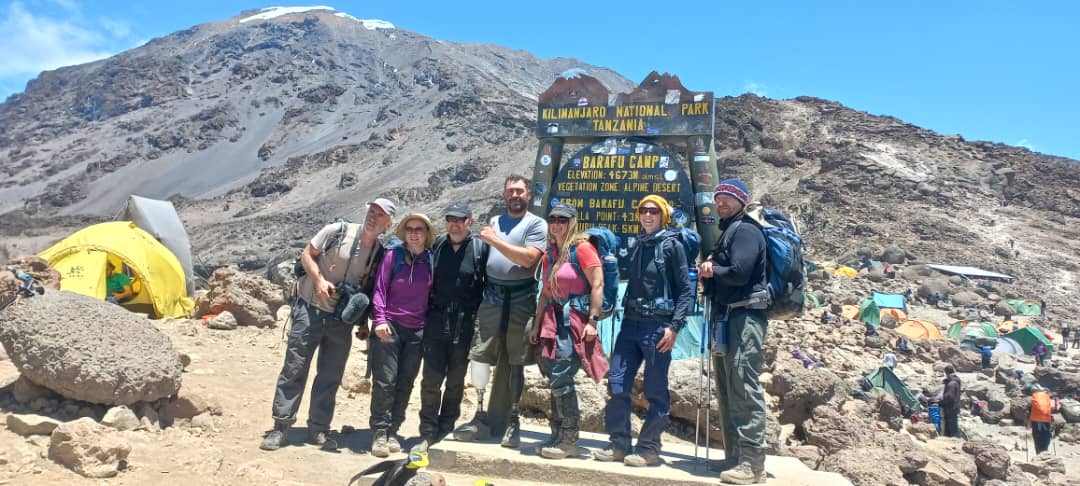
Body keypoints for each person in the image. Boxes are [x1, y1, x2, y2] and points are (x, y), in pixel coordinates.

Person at [261, 198, 395, 451]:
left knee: (330, 375)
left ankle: (318, 429)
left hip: (340, 322)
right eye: (372, 211)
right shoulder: (337, 231)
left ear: (387, 224)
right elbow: (307, 255)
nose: (373, 217)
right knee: (295, 368)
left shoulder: (379, 253)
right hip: (309, 309)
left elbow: (366, 290)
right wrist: (319, 280)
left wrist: (363, 323)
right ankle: (281, 426)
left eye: (380, 215)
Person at [594, 194, 690, 468]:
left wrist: (674, 328)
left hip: (658, 327)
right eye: (643, 211)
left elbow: (685, 290)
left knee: (655, 390)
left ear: (663, 216)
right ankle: (619, 443)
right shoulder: (638, 244)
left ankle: (649, 448)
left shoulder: (673, 246)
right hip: (630, 325)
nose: (647, 215)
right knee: (617, 382)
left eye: (653, 211)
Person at [455, 175, 547, 448]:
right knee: (480, 353)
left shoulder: (536, 224)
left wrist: (494, 241)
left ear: (528, 194)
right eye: (510, 191)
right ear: (504, 195)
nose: (515, 195)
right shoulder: (495, 221)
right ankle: (480, 416)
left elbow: (529, 260)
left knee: (517, 359)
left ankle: (513, 420)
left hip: (521, 299)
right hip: (492, 298)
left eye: (520, 191)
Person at [698, 179, 769, 484]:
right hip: (728, 317)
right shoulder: (730, 230)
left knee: (742, 385)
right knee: (727, 386)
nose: (722, 202)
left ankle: (753, 465)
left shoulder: (746, 231)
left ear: (741, 201)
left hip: (744, 317)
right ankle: (734, 456)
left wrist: (713, 270)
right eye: (718, 197)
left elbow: (740, 273)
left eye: (728, 198)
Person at [530, 202, 608, 460]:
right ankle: (558, 434)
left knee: (562, 374)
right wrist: (537, 323)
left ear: (572, 222)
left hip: (574, 322)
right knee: (554, 374)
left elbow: (597, 284)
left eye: (562, 220)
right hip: (552, 322)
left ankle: (569, 440)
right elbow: (545, 292)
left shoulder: (582, 249)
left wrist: (593, 322)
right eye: (552, 219)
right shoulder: (550, 254)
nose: (556, 224)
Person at [414, 203, 488, 453]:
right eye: (450, 219)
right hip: (436, 321)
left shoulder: (480, 249)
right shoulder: (437, 246)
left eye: (460, 220)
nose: (454, 224)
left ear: (470, 221)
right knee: (431, 380)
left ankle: (445, 428)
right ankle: (427, 430)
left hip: (466, 324)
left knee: (456, 382)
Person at [369, 213, 435, 457]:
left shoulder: (430, 259)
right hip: (391, 327)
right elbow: (379, 289)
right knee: (385, 381)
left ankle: (393, 429)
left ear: (426, 234)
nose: (414, 233)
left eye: (419, 229)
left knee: (406, 381)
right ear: (404, 233)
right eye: (410, 229)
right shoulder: (392, 256)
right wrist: (380, 319)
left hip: (417, 330)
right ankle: (379, 432)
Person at [1027, 385, 1061, 454]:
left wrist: (1027, 422)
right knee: (1046, 435)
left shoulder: (1033, 397)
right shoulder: (1047, 397)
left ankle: (1038, 453)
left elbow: (1029, 409)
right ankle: (1045, 451)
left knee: (1037, 436)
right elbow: (1054, 408)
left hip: (1035, 420)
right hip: (1046, 419)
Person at [940, 365, 962, 438]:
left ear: (946, 372)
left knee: (952, 427)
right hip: (955, 406)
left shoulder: (951, 384)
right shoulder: (956, 380)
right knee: (952, 425)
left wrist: (940, 402)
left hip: (950, 408)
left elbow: (949, 397)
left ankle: (956, 440)